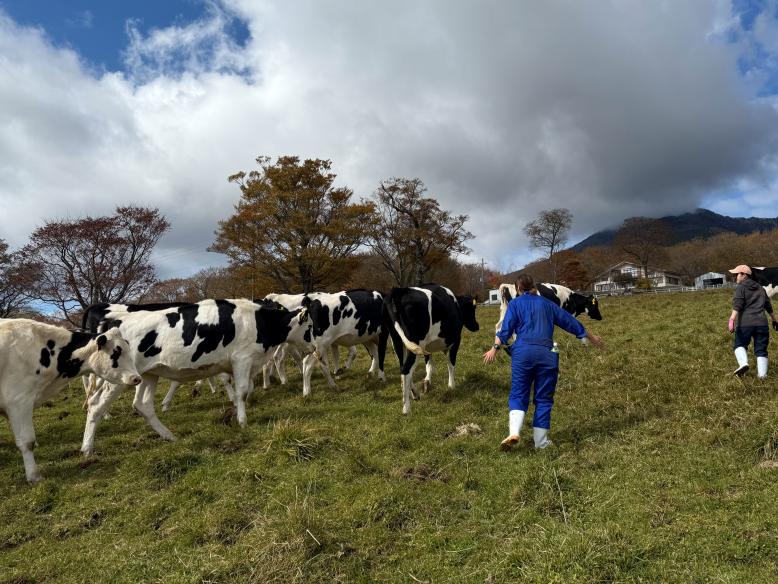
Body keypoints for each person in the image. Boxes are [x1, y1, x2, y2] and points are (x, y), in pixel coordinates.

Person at [483, 273, 603, 451]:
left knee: (518, 393)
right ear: (535, 287)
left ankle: (514, 432)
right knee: (544, 398)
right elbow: (570, 322)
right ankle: (541, 442)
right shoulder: (548, 304)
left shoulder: (515, 304)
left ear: (517, 289)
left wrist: (494, 348)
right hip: (547, 354)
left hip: (522, 354)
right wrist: (592, 338)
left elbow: (506, 329)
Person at [727, 264, 778, 378]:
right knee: (761, 349)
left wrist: (732, 319)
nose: (735, 277)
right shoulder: (760, 288)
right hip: (762, 324)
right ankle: (762, 376)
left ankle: (743, 363)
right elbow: (768, 306)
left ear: (744, 275)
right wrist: (775, 320)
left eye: (736, 274)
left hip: (745, 323)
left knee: (740, 344)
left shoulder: (741, 288)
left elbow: (738, 305)